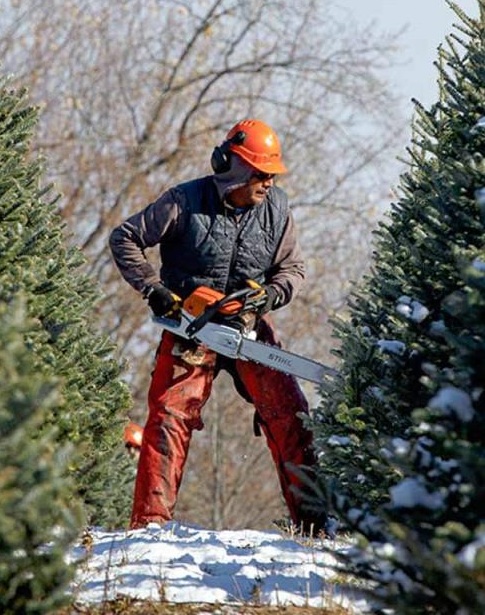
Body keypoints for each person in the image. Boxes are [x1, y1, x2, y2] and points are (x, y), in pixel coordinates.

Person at [109, 118, 324, 532]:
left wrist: (270, 295)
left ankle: (315, 525)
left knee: (290, 415)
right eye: (261, 175)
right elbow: (125, 237)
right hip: (190, 328)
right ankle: (150, 526)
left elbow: (292, 268)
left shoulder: (277, 210)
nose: (267, 184)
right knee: (169, 418)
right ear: (236, 169)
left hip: (248, 326)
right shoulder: (183, 201)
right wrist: (152, 288)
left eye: (271, 176)